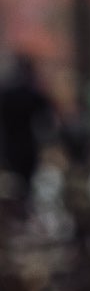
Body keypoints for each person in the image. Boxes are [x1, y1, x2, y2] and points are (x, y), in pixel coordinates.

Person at [0, 53, 58, 217]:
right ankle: (22, 210)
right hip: (27, 145)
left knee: (14, 182)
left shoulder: (7, 91)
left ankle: (15, 212)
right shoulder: (32, 91)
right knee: (25, 183)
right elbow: (48, 114)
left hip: (10, 144)